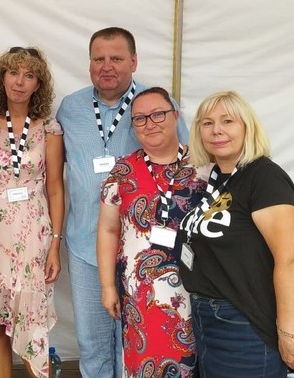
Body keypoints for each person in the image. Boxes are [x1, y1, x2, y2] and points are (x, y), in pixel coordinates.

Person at [56, 27, 189, 377]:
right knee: (93, 342)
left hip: (145, 251)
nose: (107, 66)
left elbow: (187, 166)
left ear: (134, 61)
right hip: (86, 244)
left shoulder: (155, 106)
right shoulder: (70, 108)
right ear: (89, 63)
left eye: (116, 58)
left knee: (139, 341)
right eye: (98, 59)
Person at [178, 90, 294, 377]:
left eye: (227, 121)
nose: (216, 130)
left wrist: (288, 335)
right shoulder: (218, 177)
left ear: (247, 127)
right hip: (206, 319)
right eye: (207, 123)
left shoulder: (264, 177)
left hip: (243, 325)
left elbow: (293, 260)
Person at [0, 47, 65, 378]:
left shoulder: (49, 128)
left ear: (38, 84)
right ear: (2, 78)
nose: (20, 82)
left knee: (30, 314)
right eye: (13, 73)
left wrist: (55, 243)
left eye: (29, 75)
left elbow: (55, 188)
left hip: (33, 232)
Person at [96, 87, 205, 378]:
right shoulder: (123, 171)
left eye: (158, 114)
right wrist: (107, 286)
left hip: (195, 289)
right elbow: (108, 229)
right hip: (139, 294)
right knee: (143, 362)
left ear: (175, 116)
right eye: (140, 118)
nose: (150, 124)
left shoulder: (203, 167)